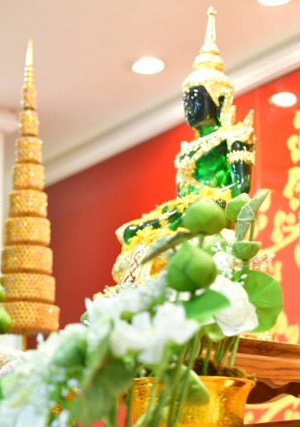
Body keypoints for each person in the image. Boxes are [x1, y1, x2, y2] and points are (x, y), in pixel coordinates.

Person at [112, 7, 255, 286]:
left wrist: (206, 206)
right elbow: (180, 197)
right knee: (133, 230)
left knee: (185, 215)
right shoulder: (186, 149)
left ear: (220, 100)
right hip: (186, 212)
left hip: (214, 210)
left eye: (196, 99)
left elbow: (241, 192)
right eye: (186, 101)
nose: (189, 107)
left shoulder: (235, 135)